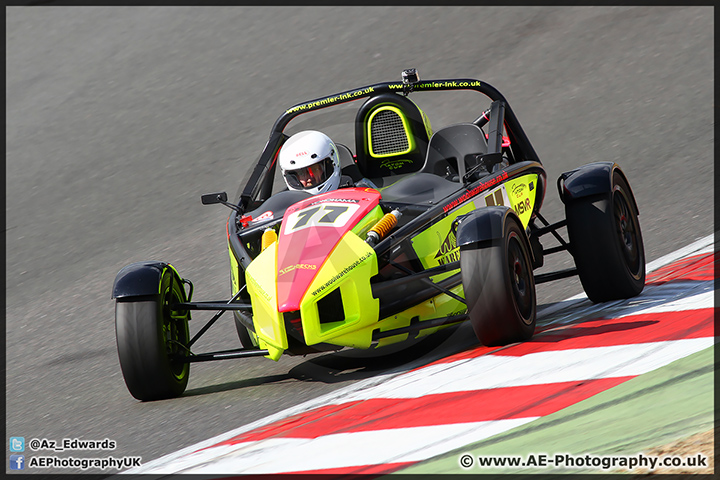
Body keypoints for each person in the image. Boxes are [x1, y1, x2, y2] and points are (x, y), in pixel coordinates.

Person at [278, 130, 342, 195]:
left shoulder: (350, 191)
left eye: (314, 169)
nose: (309, 178)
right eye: (301, 173)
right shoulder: (287, 202)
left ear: (330, 165)